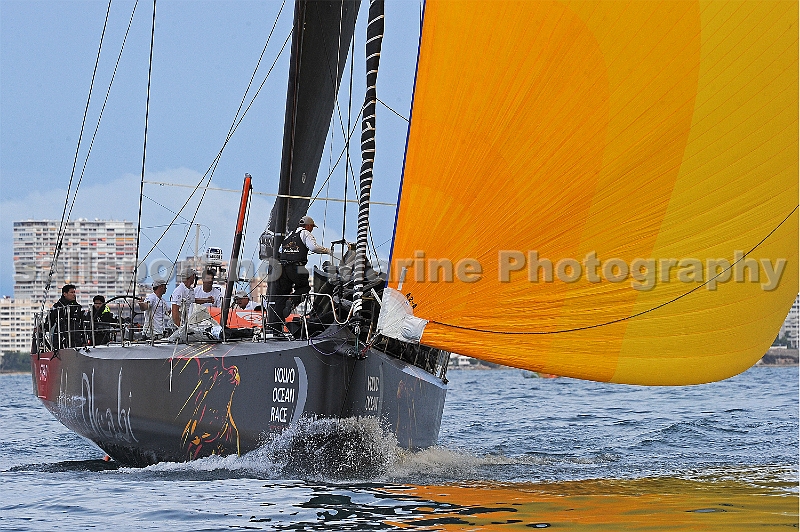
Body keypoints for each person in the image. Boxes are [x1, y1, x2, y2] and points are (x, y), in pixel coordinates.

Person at [267, 215, 330, 334]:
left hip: (282, 269)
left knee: (280, 298)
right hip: (297, 267)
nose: (311, 229)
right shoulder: (306, 233)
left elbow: (280, 251)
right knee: (304, 288)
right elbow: (313, 248)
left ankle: (275, 329)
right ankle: (292, 301)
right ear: (308, 226)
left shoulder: (289, 236)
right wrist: (327, 251)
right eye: (312, 227)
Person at [49, 284, 85, 349]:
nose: (74, 294)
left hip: (76, 340)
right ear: (64, 294)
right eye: (71, 292)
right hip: (60, 341)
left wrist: (84, 341)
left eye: (74, 292)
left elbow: (83, 324)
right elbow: (49, 322)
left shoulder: (78, 307)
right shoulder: (56, 307)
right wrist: (40, 328)